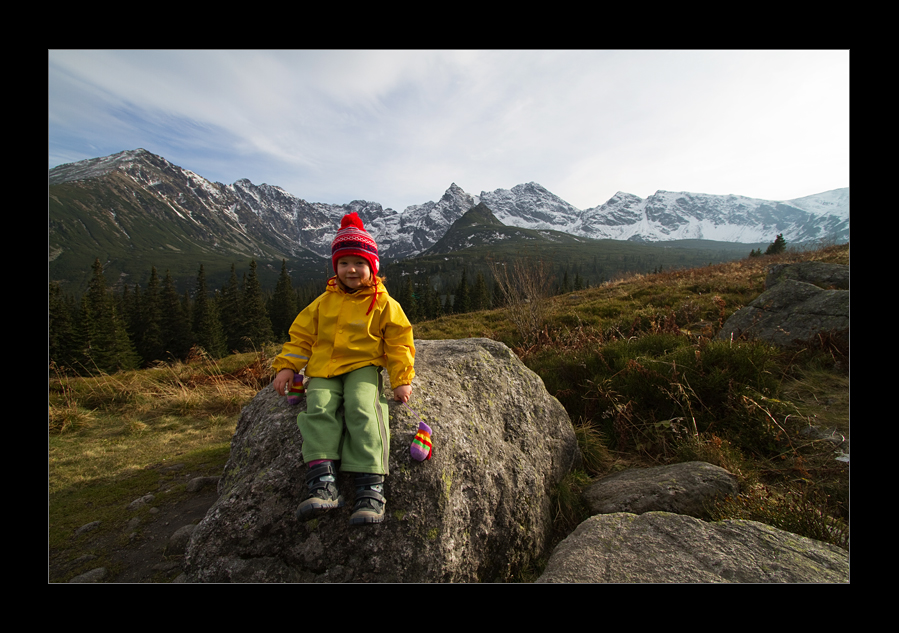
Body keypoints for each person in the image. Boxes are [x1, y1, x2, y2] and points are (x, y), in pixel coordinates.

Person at [272, 212, 414, 525]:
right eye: (344, 263)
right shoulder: (322, 303)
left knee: (363, 407)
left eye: (359, 263)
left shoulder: (384, 304)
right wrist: (287, 366)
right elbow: (302, 338)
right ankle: (323, 483)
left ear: (372, 267)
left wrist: (401, 379)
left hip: (363, 366)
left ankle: (370, 488)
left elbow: (398, 342)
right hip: (324, 368)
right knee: (319, 407)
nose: (352, 270)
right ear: (335, 267)